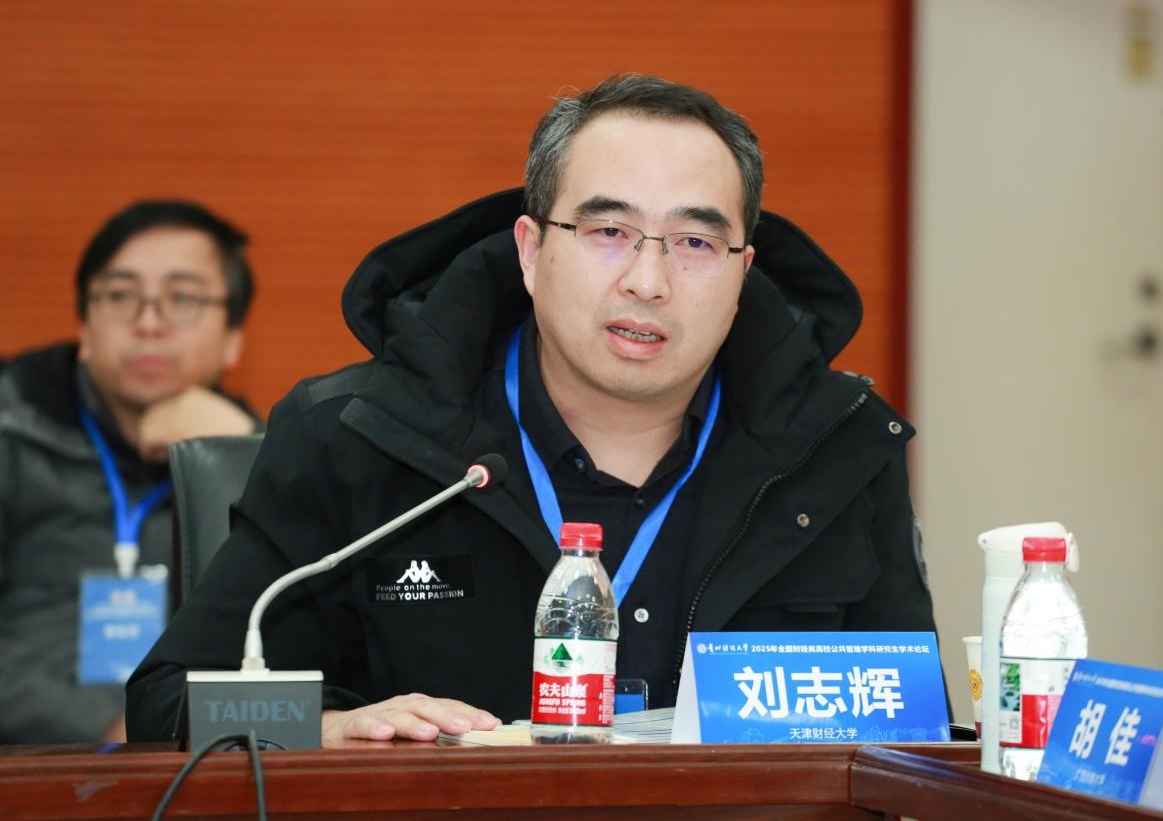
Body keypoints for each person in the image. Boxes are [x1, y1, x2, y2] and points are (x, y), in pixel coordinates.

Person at [127, 74, 937, 747]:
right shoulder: (359, 436)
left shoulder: (837, 450)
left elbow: (911, 732)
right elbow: (169, 704)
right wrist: (325, 728)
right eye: (608, 230)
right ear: (530, 249)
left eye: (694, 243)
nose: (647, 282)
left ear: (742, 271)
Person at [0, 200, 259, 743]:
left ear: (234, 337)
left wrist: (233, 455)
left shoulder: (263, 457)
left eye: (182, 298)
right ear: (85, 326)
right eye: (120, 296)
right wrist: (115, 730)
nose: (148, 323)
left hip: (192, 767)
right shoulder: (14, 437)